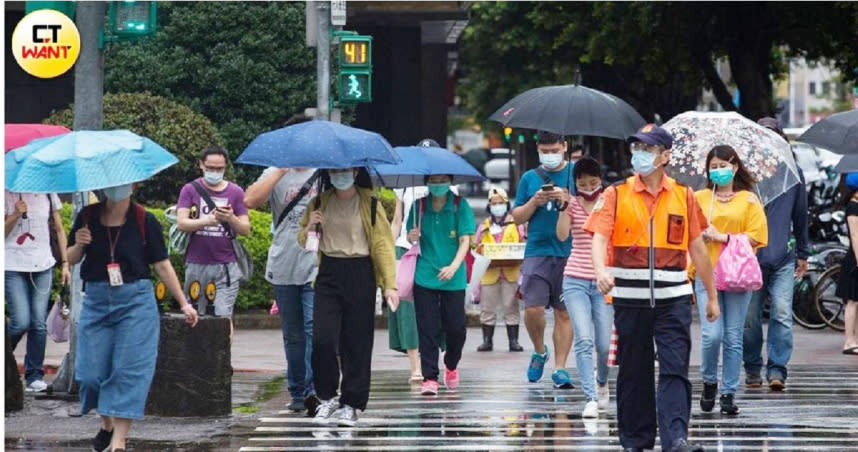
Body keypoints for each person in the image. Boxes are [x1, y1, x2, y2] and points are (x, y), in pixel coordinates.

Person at [586, 124, 719, 452]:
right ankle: (636, 440)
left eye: (647, 149)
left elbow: (698, 248)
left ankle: (676, 439)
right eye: (637, 149)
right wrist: (600, 269)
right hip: (629, 300)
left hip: (673, 299)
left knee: (675, 366)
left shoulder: (684, 195)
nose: (639, 155)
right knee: (634, 370)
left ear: (664, 156)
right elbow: (599, 237)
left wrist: (712, 295)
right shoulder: (615, 194)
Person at [68, 183, 199, 452]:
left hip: (135, 301)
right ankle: (107, 423)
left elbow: (162, 264)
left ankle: (119, 441)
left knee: (129, 370)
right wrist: (79, 244)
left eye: (123, 184)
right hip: (95, 299)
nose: (117, 189)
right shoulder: (87, 216)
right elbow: (68, 257)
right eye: (112, 184)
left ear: (134, 185)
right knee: (90, 373)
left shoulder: (144, 219)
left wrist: (184, 304)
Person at [298, 168, 398, 426]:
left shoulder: (371, 202)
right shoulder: (319, 201)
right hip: (329, 272)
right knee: (322, 338)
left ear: (355, 172)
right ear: (328, 173)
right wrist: (310, 226)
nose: (340, 175)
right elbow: (306, 242)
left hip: (360, 272)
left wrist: (390, 285)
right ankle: (328, 397)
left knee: (357, 341)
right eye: (335, 170)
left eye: (345, 170)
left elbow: (383, 246)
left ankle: (351, 403)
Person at [693, 145, 768, 415]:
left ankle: (728, 392)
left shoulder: (749, 200)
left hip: (737, 275)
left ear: (735, 167)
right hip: (706, 273)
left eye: (723, 165)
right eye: (713, 166)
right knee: (712, 335)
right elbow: (685, 233)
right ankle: (710, 381)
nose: (718, 171)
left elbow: (757, 235)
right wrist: (699, 236)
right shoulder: (699, 198)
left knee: (734, 337)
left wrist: (722, 238)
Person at [244, 166, 320, 412]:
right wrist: (279, 171)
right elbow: (250, 200)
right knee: (292, 334)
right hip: (284, 262)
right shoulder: (273, 172)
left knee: (313, 328)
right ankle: (297, 390)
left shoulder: (323, 172)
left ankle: (313, 389)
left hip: (316, 263)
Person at [743, 117, 809, 391]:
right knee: (749, 318)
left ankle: (778, 370)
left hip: (783, 257)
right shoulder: (744, 177)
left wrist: (804, 252)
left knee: (782, 313)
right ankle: (752, 368)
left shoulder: (792, 174)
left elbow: (801, 215)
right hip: (749, 259)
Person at [511, 130, 575, 389]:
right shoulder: (529, 178)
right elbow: (516, 216)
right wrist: (535, 202)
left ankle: (560, 368)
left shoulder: (575, 174)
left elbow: (591, 205)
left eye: (554, 150)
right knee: (533, 308)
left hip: (569, 252)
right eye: (545, 151)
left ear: (564, 146)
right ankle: (539, 350)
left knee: (564, 313)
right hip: (537, 250)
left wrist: (568, 200)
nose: (549, 155)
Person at [406, 174, 476, 396]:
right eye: (433, 181)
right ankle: (430, 377)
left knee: (456, 328)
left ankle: (451, 363)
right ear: (426, 182)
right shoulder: (419, 206)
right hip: (425, 275)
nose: (438, 185)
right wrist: (412, 235)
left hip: (453, 277)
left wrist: (454, 266)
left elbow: (466, 240)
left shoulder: (459, 205)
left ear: (450, 181)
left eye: (442, 180)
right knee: (427, 328)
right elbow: (410, 238)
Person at [555, 157, 612, 418]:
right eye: (582, 183)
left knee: (603, 343)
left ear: (600, 180)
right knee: (584, 339)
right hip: (575, 278)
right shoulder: (572, 203)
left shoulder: (609, 202)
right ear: (575, 183)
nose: (588, 187)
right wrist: (563, 208)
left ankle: (602, 381)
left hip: (603, 281)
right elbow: (562, 236)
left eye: (593, 182)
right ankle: (589, 397)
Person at [176, 145, 250, 327]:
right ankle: (198, 355)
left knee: (223, 319)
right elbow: (182, 222)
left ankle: (222, 355)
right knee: (195, 317)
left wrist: (231, 218)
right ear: (201, 165)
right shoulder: (190, 189)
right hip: (196, 264)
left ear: (225, 167)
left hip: (226, 265)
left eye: (219, 169)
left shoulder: (235, 192)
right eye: (210, 168)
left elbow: (245, 228)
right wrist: (206, 221)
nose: (215, 172)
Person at [4, 190, 71, 392]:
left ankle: (34, 375)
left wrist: (66, 263)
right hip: (13, 264)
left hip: (43, 265)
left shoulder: (48, 193)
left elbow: (58, 229)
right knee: (20, 322)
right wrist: (14, 215)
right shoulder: (5, 193)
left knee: (38, 324)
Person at [474, 187, 526, 352]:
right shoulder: (483, 226)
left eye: (500, 203)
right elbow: (476, 247)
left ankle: (513, 341)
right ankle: (487, 341)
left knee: (511, 306)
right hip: (489, 272)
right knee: (487, 307)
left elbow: (523, 244)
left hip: (511, 272)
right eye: (494, 203)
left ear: (507, 204)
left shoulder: (516, 224)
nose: (497, 206)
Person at [838, 172, 858, 355]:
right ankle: (849, 341)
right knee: (852, 302)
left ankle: (855, 339)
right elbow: (855, 236)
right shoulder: (853, 207)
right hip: (854, 261)